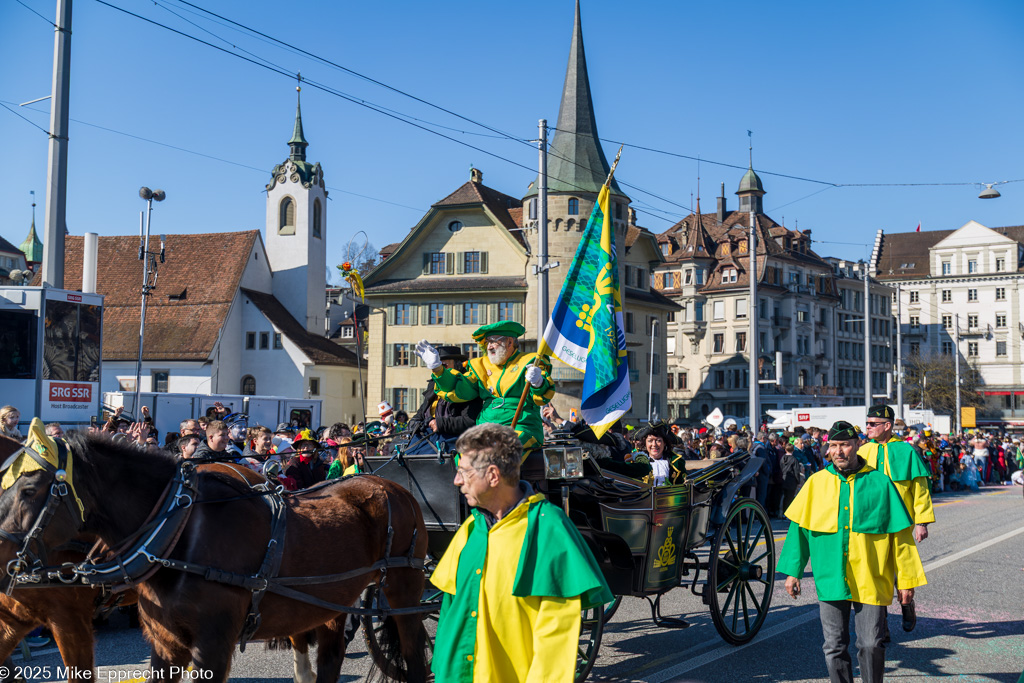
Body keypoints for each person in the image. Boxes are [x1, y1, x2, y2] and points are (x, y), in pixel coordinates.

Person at [431, 423, 612, 682]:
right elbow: (451, 616)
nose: (456, 480)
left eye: (464, 472)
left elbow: (556, 635)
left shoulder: (548, 528)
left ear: (493, 476)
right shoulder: (471, 528)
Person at [777, 420, 926, 683]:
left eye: (845, 444)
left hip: (871, 578)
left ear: (858, 445)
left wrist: (906, 581)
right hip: (831, 577)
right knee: (834, 647)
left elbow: (901, 539)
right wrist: (793, 572)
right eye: (833, 446)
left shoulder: (880, 483)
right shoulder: (815, 483)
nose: (838, 451)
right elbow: (798, 531)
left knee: (870, 644)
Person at [415, 321, 555, 452]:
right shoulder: (480, 366)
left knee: (496, 452)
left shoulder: (530, 362)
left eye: (494, 341)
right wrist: (438, 369)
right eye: (488, 342)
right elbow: (460, 388)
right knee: (463, 457)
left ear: (510, 342)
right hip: (486, 428)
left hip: (520, 426)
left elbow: (541, 398)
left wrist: (538, 382)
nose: (489, 346)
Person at [858, 405, 935, 543]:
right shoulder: (861, 452)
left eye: (873, 424)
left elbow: (920, 490)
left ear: (887, 425)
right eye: (867, 423)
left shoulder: (907, 451)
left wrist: (922, 523)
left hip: (900, 522)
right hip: (868, 520)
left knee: (901, 563)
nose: (868, 427)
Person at [407, 346, 483, 453]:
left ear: (457, 365)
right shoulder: (433, 385)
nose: (439, 370)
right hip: (427, 436)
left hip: (450, 438)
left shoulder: (468, 387)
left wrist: (440, 423)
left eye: (443, 365)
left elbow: (470, 421)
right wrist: (415, 422)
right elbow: (422, 412)